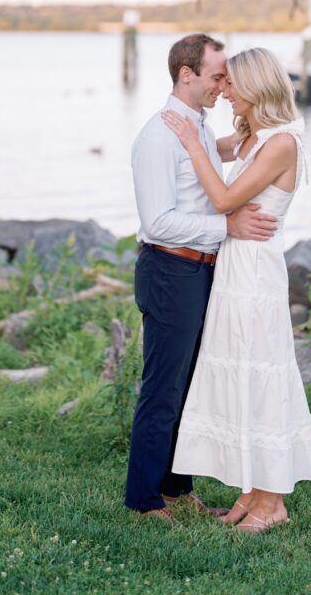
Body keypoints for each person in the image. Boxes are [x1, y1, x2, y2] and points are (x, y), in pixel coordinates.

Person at [162, 47, 311, 533]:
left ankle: (272, 503)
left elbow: (226, 198)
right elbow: (217, 150)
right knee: (241, 374)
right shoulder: (255, 135)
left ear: (252, 88)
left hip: (256, 274)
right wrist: (182, 123)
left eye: (230, 84)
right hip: (235, 267)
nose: (223, 91)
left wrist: (191, 141)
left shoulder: (282, 143)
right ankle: (252, 493)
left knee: (261, 375)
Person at [124, 34, 280, 522]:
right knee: (163, 388)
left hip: (199, 271)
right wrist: (226, 226)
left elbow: (248, 145)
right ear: (185, 74)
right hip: (171, 268)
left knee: (189, 387)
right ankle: (145, 500)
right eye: (217, 76)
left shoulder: (198, 130)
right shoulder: (157, 137)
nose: (223, 84)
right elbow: (157, 222)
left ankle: (174, 487)